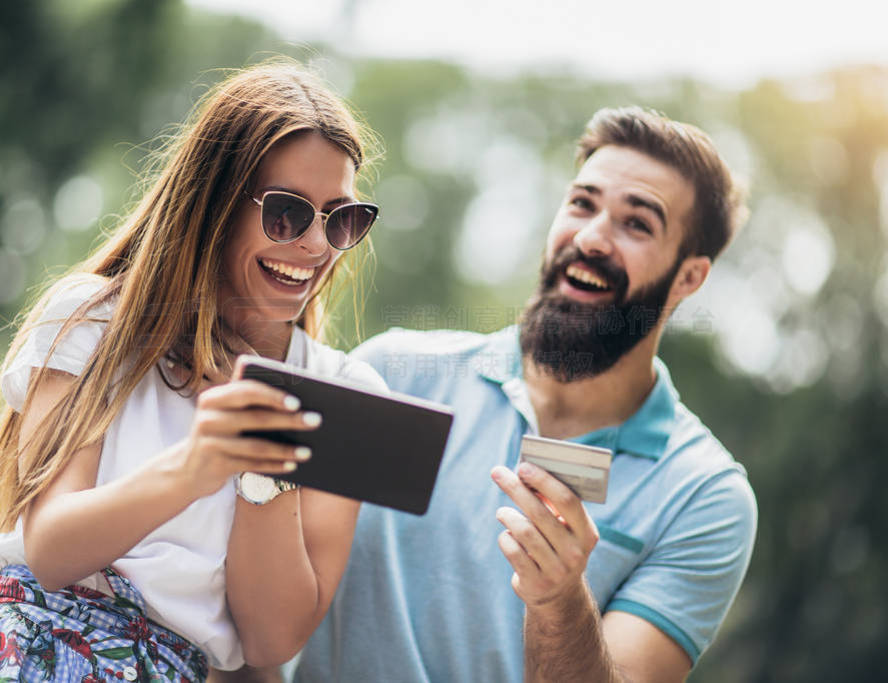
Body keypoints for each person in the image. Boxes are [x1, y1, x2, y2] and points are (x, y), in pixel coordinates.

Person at [0, 61, 384, 682]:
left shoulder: (344, 395)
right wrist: (197, 464)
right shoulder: (95, 320)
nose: (316, 246)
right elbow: (51, 548)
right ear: (215, 204)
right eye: (287, 214)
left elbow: (271, 640)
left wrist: (264, 469)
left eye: (342, 219)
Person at [286, 107, 758, 682]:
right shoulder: (389, 375)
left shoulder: (703, 495)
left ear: (689, 277)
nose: (590, 237)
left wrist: (560, 600)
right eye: (582, 203)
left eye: (637, 223)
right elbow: (251, 589)